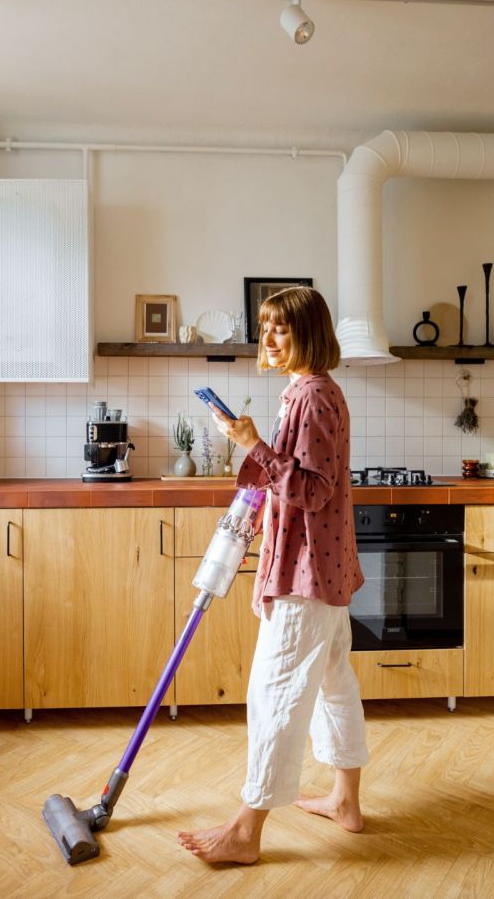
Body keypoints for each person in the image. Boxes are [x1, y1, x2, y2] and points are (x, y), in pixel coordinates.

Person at [177, 285, 368, 865]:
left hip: (306, 574)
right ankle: (344, 800)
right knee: (334, 685)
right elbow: (298, 486)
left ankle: (246, 830)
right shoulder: (310, 393)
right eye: (264, 328)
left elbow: (313, 489)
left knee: (275, 693)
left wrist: (253, 443)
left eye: (280, 328)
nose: (268, 339)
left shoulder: (311, 397)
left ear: (307, 332)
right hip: (323, 568)